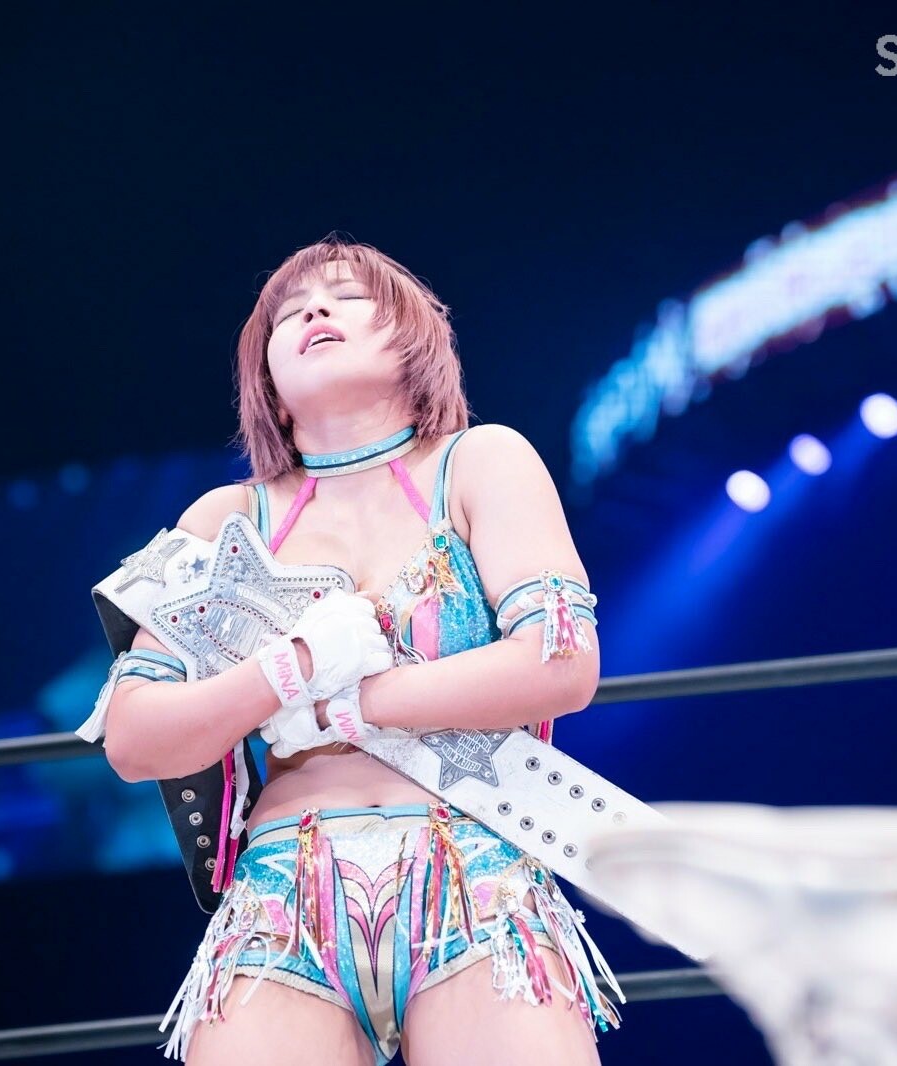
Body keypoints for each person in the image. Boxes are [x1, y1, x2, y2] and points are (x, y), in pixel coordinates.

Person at [92, 236, 616, 1065]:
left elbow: (560, 662)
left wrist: (346, 703)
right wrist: (288, 668)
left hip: (475, 876)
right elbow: (133, 737)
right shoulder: (224, 519)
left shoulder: (481, 461)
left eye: (347, 295)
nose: (314, 309)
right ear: (264, 371)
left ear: (413, 335)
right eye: (289, 311)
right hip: (281, 903)